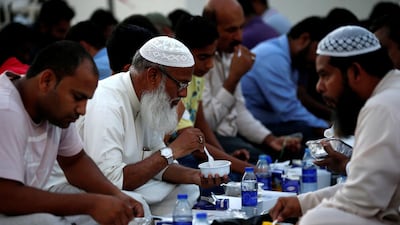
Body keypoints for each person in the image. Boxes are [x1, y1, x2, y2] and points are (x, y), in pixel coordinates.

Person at [47, 36, 228, 217]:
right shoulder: (107, 102)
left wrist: (196, 176)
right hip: (74, 187)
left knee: (187, 189)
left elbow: (158, 163)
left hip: (126, 183)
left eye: (187, 84)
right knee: (135, 206)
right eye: (181, 84)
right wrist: (172, 151)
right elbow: (111, 181)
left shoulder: (151, 100)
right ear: (153, 75)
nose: (184, 93)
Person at [0, 40, 144, 225]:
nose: (82, 110)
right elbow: (6, 196)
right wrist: (90, 203)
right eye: (78, 98)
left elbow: (74, 161)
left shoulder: (54, 109)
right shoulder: (6, 110)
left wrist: (117, 196)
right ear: (46, 81)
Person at [270, 25, 399, 225]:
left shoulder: (381, 107)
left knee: (317, 220)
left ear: (355, 71)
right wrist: (300, 204)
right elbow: (366, 189)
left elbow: (361, 200)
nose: (319, 87)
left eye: (325, 75)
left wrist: (308, 211)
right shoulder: (391, 93)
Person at [201, 0, 301, 164]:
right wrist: (233, 79)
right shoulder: (199, 61)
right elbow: (207, 124)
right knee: (264, 163)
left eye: (242, 27)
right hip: (212, 140)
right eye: (231, 30)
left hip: (232, 136)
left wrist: (270, 139)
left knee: (288, 151)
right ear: (211, 28)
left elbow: (239, 112)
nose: (239, 37)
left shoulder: (228, 55)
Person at [173, 14, 255, 181]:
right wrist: (248, 169)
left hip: (194, 148)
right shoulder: (175, 83)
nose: (210, 65)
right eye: (203, 57)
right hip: (177, 153)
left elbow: (201, 124)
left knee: (235, 171)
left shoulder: (196, 78)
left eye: (212, 55)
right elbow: (193, 143)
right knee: (231, 179)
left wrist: (225, 157)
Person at [241, 16, 330, 159]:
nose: (317, 59)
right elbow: (289, 109)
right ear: (304, 39)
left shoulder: (290, 58)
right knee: (306, 133)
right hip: (253, 126)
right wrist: (326, 129)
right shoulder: (273, 56)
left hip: (270, 122)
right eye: (317, 51)